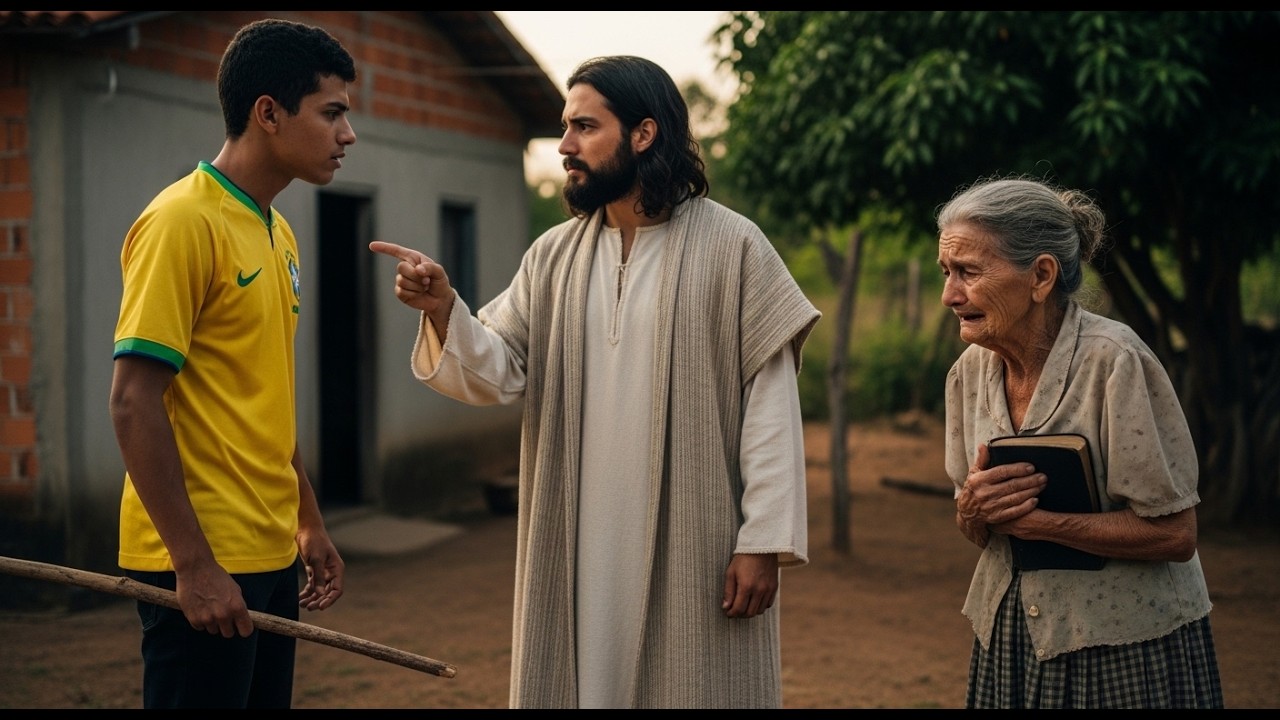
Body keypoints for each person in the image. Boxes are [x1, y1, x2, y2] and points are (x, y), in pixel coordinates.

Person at [370, 55, 821, 708]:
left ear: (643, 134)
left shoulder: (735, 248)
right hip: (577, 535)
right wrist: (445, 309)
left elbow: (771, 408)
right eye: (565, 127)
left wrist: (763, 542)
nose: (565, 146)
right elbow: (500, 368)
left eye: (584, 126)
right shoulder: (553, 255)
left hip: (695, 538)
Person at [108, 18, 356, 709]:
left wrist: (307, 520)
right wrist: (193, 565)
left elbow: (263, 394)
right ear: (268, 114)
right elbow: (133, 400)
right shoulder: (182, 222)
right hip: (207, 561)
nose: (348, 134)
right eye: (332, 112)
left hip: (270, 551)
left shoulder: (278, 234)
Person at [937, 176, 1224, 708]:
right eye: (947, 272)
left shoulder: (1115, 361)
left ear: (1040, 276)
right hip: (1011, 634)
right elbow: (978, 527)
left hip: (1122, 643)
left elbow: (1175, 535)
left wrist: (1040, 525)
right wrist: (973, 510)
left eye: (968, 272)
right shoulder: (967, 374)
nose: (950, 295)